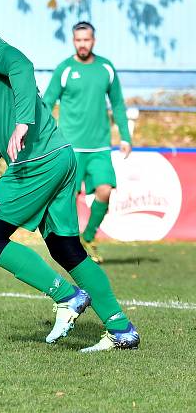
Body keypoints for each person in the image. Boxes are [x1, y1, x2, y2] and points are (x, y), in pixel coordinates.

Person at [0, 0, 139, 352]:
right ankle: (121, 328)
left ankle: (66, 296)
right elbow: (20, 97)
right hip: (60, 154)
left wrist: (21, 123)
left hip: (38, 162)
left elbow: (23, 67)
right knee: (65, 248)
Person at [43, 21, 131, 263]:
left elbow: (119, 104)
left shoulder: (106, 68)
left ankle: (89, 236)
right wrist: (40, 134)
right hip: (69, 146)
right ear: (73, 41)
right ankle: (70, 248)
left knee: (105, 191)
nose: (83, 44)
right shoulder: (65, 69)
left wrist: (125, 136)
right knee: (68, 199)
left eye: (87, 40)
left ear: (94, 40)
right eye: (78, 40)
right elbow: (48, 101)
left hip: (100, 146)